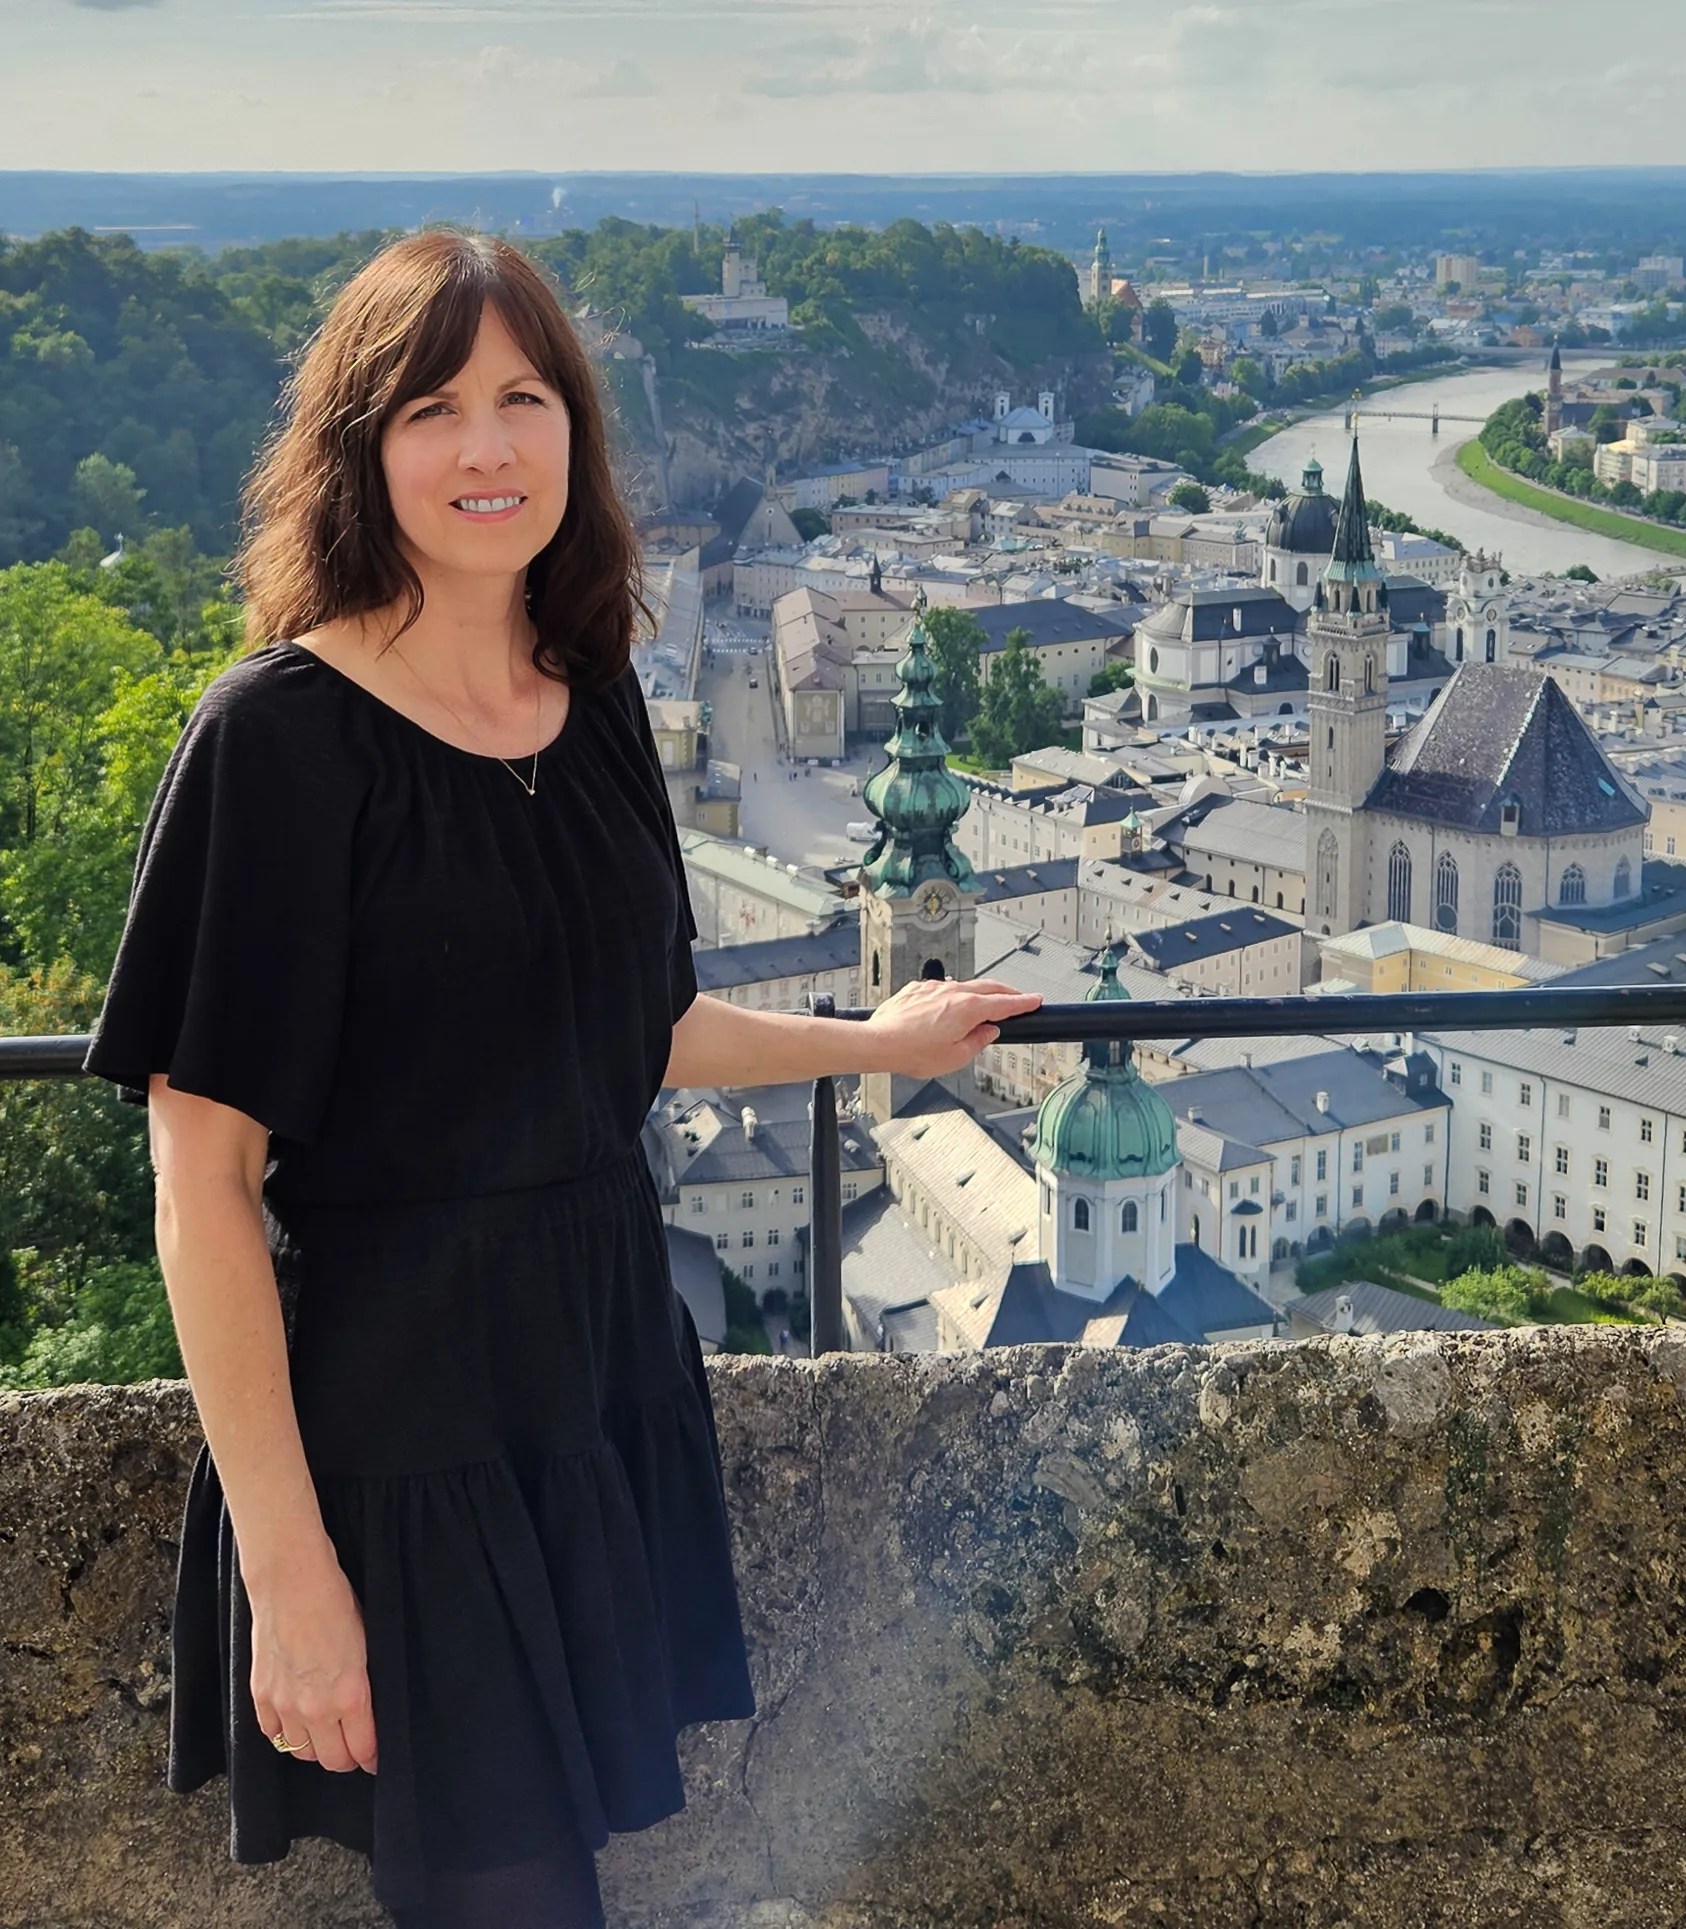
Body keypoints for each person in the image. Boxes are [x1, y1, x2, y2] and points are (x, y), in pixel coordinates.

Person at [80, 228, 1037, 1929]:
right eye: (434, 407)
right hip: (405, 1431)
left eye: (525, 399)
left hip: (588, 1383)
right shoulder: (277, 742)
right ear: (362, 449)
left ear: (576, 437)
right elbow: (202, 1177)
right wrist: (291, 1576)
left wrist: (878, 1043)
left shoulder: (588, 702)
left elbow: (640, 1029)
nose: (488, 447)